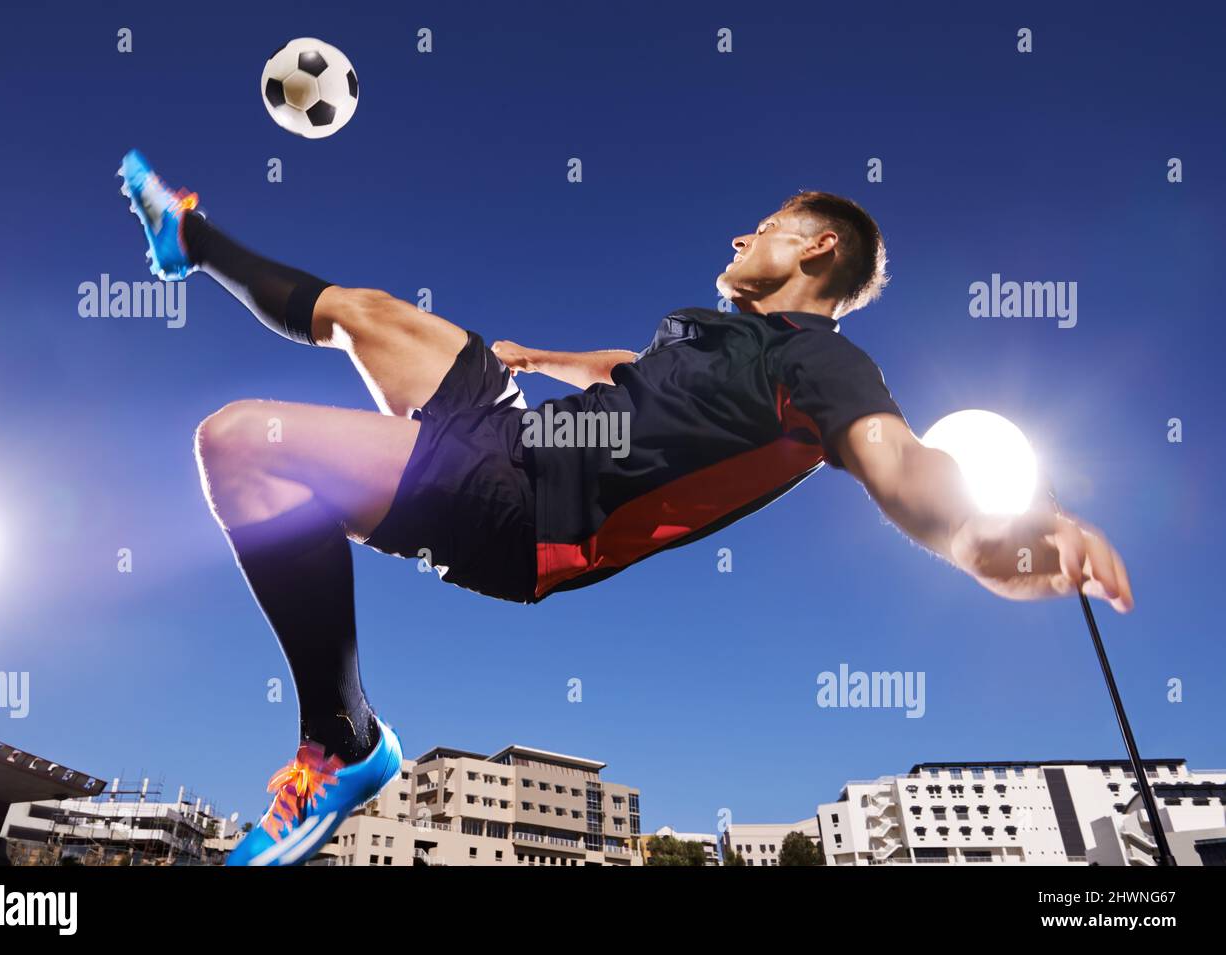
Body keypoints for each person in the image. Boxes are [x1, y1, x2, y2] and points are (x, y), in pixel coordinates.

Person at [118, 149, 1134, 866]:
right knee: (367, 310)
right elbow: (635, 372)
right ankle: (188, 239)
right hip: (520, 435)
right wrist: (535, 358)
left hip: (532, 511)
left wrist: (978, 532)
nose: (740, 234)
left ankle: (340, 740)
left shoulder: (821, 364)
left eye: (766, 226)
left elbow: (896, 461)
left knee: (241, 442)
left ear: (816, 245)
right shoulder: (710, 330)